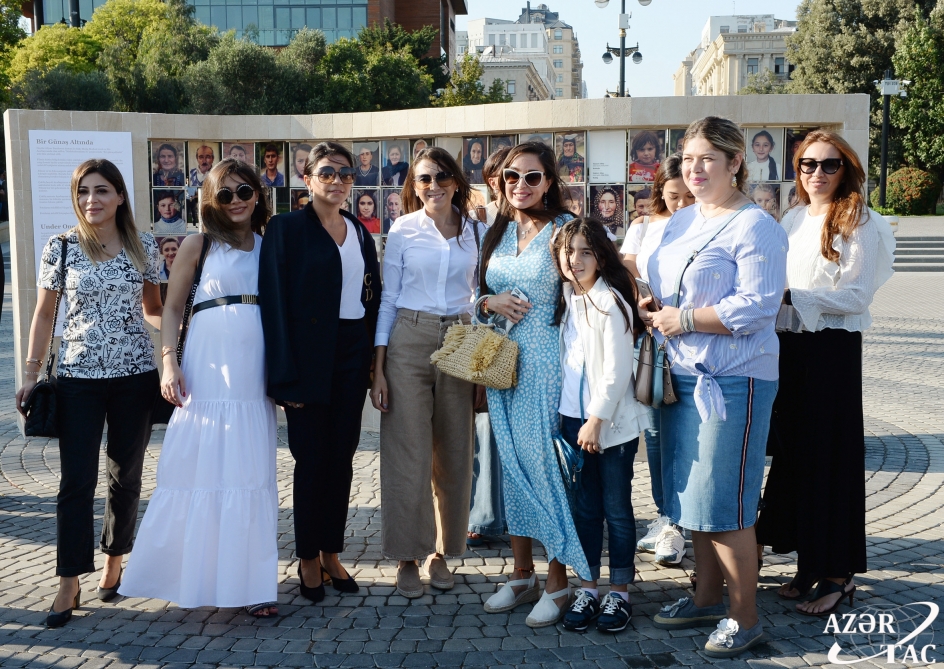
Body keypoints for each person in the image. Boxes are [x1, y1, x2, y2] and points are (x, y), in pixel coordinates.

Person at [641, 117, 787, 658]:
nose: (695, 168)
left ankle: (744, 616)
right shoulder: (680, 222)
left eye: (707, 158)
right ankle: (704, 596)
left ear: (734, 163)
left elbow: (757, 307)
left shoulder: (756, 226)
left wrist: (687, 319)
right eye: (687, 159)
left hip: (732, 379)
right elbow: (663, 284)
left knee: (726, 504)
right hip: (678, 374)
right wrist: (653, 307)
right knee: (692, 497)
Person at [119, 159, 279, 616]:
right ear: (210, 199)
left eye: (243, 191)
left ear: (257, 195)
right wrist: (168, 364)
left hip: (253, 375)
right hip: (206, 369)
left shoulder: (270, 247)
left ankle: (249, 585)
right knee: (200, 469)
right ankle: (191, 576)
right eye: (224, 194)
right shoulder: (198, 244)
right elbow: (170, 311)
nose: (235, 201)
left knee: (250, 474)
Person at [16, 159, 162, 628]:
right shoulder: (60, 248)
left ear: (120, 196)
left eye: (101, 191)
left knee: (126, 476)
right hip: (77, 378)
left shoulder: (144, 247)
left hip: (134, 378)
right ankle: (68, 580)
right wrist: (30, 372)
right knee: (74, 483)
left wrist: (174, 360)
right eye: (82, 192)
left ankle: (115, 560)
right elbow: (44, 315)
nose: (91, 200)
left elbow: (155, 310)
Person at [755, 130, 895, 616]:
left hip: (832, 351)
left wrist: (794, 297)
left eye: (829, 165)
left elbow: (857, 296)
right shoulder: (792, 218)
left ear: (846, 168)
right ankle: (807, 562)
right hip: (789, 348)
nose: (817, 173)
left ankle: (838, 573)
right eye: (808, 164)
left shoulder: (860, 220)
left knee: (831, 457)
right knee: (795, 455)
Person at [259, 142, 380, 604]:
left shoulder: (359, 229)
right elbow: (274, 303)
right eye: (327, 172)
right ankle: (307, 556)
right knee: (311, 462)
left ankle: (331, 552)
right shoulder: (285, 228)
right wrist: (283, 375)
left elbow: (371, 295)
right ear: (307, 179)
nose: (337, 181)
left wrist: (371, 360)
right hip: (307, 361)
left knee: (342, 458)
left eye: (345, 174)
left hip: (351, 354)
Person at [477, 141, 590, 628]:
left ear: (549, 181)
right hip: (501, 362)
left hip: (547, 364)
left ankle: (559, 581)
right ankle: (521, 574)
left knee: (547, 468)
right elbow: (479, 293)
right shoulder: (497, 229)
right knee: (513, 467)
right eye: (510, 178)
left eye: (531, 177)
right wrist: (489, 303)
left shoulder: (565, 229)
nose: (520, 186)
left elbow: (588, 293)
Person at [369, 146, 486, 599]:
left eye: (440, 177)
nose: (432, 186)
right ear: (413, 186)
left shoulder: (477, 231)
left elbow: (480, 296)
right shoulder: (402, 230)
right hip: (409, 339)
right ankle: (406, 557)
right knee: (407, 453)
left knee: (455, 454)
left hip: (460, 338)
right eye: (423, 180)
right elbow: (389, 299)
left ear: (456, 181)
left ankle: (442, 553)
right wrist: (378, 368)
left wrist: (479, 367)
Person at [551, 218, 649, 634]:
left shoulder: (610, 301)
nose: (575, 260)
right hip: (573, 420)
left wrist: (595, 420)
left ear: (601, 257)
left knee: (616, 510)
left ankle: (620, 592)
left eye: (585, 251)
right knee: (584, 510)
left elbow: (615, 371)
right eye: (568, 251)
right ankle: (588, 587)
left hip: (608, 423)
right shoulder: (568, 299)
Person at [619, 155, 696, 566]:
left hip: (693, 342)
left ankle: (681, 525)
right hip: (649, 341)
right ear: (658, 194)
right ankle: (666, 515)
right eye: (672, 196)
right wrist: (640, 303)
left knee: (686, 436)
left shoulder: (709, 222)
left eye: (688, 195)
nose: (681, 203)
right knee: (653, 436)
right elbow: (627, 271)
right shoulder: (643, 226)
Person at [474, 145, 511, 226]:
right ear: (493, 183)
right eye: (509, 174)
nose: (520, 181)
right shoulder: (474, 219)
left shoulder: (537, 220)